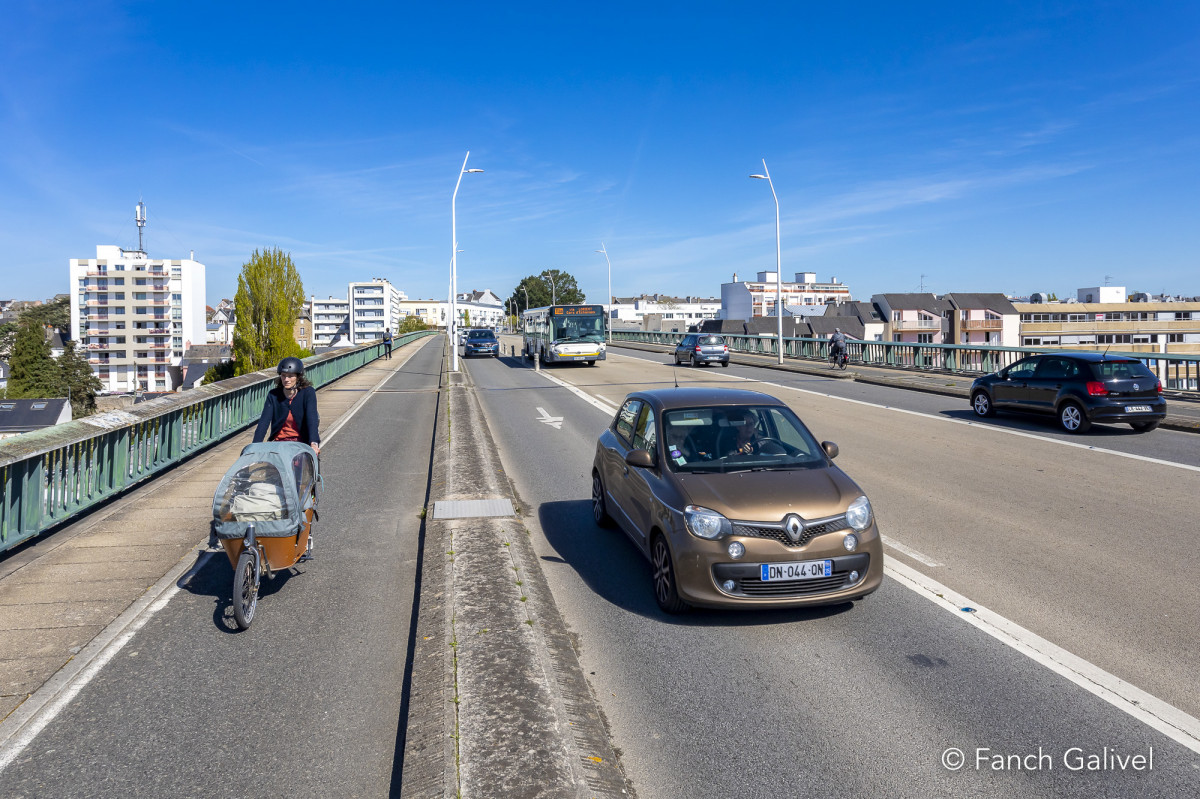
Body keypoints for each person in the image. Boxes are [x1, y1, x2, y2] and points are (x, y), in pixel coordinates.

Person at [253, 357, 320, 456]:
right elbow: (263, 422)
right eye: (283, 376)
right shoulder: (273, 395)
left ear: (298, 377)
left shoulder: (308, 392)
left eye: (290, 376)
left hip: (301, 444)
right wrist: (255, 446)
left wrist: (314, 443)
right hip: (279, 444)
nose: (286, 379)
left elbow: (312, 418)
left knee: (303, 469)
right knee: (272, 469)